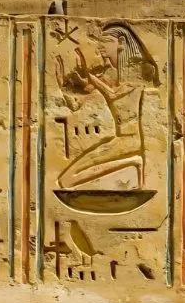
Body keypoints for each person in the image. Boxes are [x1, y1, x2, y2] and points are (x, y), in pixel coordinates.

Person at [56, 24, 158, 189]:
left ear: (121, 43)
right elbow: (76, 104)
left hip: (132, 139)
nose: (101, 46)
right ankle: (132, 163)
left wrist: (90, 76)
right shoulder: (106, 75)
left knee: (68, 180)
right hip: (119, 139)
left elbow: (114, 94)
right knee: (65, 180)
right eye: (100, 42)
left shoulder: (143, 71)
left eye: (107, 41)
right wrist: (64, 87)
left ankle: (133, 165)